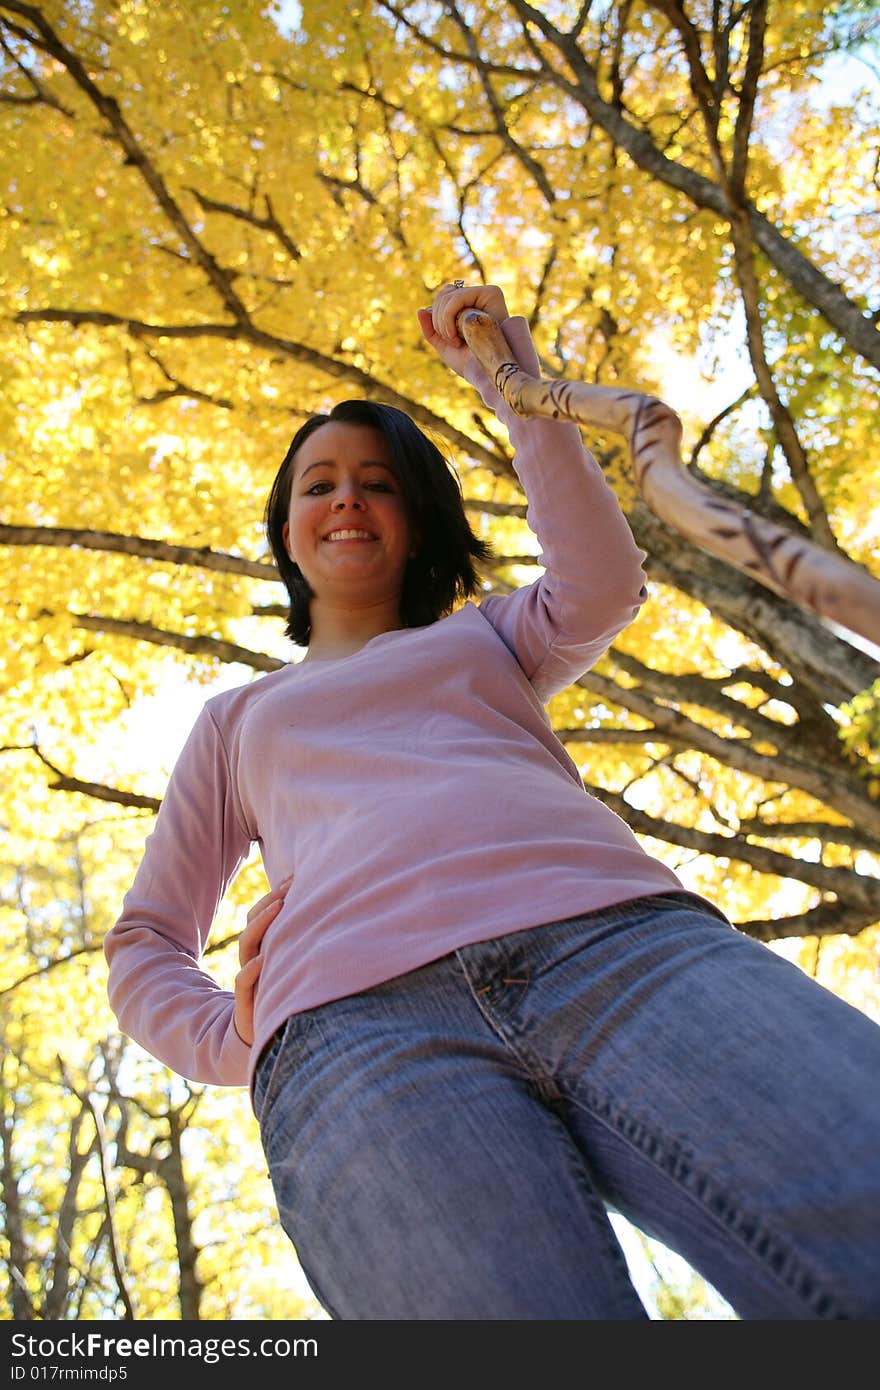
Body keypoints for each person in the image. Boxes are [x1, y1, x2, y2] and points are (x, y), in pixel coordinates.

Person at [104, 282, 880, 1321]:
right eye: (319, 484)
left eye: (378, 483)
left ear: (417, 522)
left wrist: (505, 374)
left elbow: (601, 582)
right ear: (286, 529)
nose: (346, 499)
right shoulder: (239, 720)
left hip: (623, 950)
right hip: (355, 1036)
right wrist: (235, 1039)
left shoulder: (489, 638)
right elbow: (147, 937)